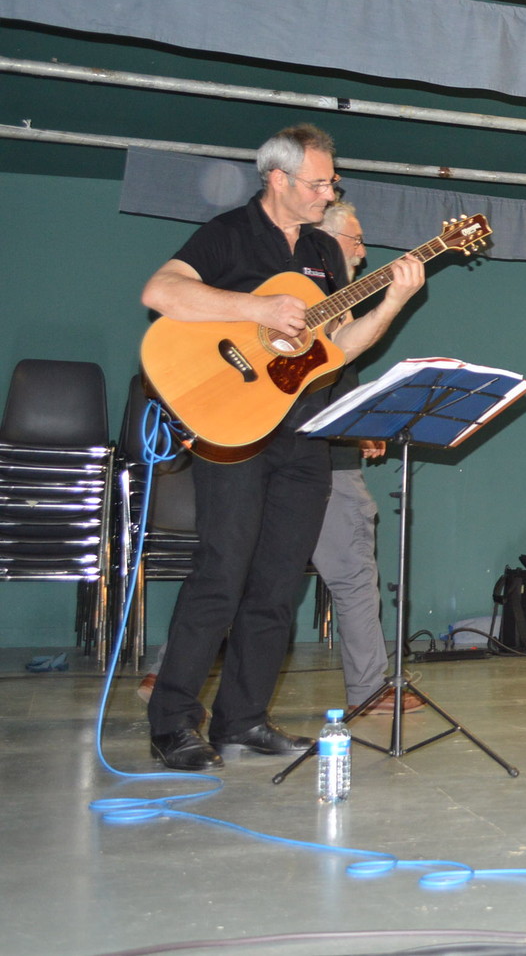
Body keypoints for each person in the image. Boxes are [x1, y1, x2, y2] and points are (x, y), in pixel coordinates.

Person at [141, 125, 424, 770]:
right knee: (222, 571)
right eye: (320, 182)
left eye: (332, 182)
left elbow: (339, 347)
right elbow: (161, 292)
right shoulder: (228, 234)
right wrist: (256, 309)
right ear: (279, 179)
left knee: (275, 586)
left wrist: (395, 303)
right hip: (235, 431)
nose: (331, 192)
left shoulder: (325, 251)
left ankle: (241, 721)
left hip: (304, 434)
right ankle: (173, 721)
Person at [313, 202, 424, 714]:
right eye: (355, 240)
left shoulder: (332, 304)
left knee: (246, 573)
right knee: (355, 577)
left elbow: (325, 379)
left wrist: (357, 432)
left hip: (324, 454)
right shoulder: (308, 300)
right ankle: (370, 692)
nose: (362, 250)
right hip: (321, 469)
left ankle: (167, 676)